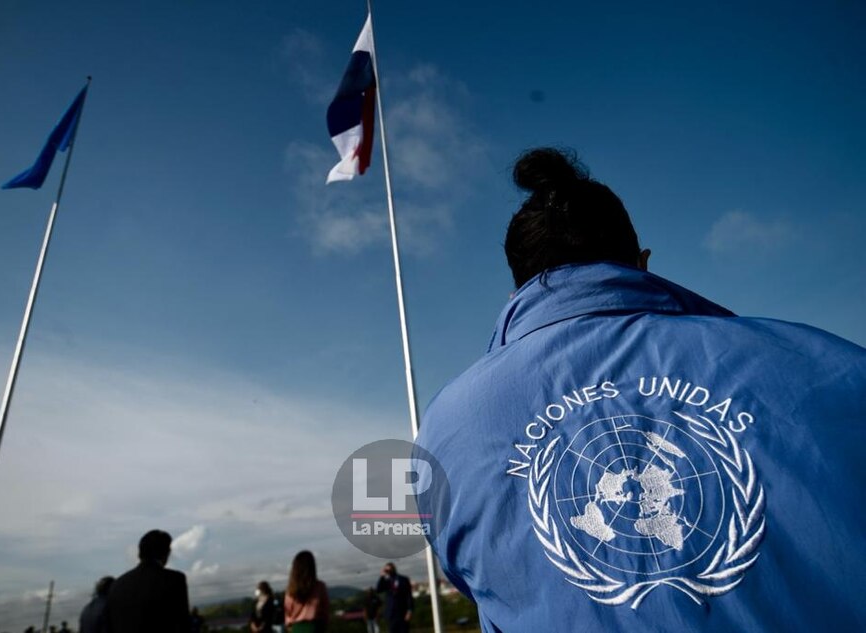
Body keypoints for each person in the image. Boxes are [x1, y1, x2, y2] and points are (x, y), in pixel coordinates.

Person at [415, 147, 866, 632]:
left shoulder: (446, 426)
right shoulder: (826, 365)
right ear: (643, 262)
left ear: (514, 293)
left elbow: (482, 580)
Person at [106, 529, 191, 633]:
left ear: (140, 553)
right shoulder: (174, 580)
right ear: (166, 553)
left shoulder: (117, 585)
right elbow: (182, 624)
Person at [284, 551, 329, 633]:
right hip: (315, 627)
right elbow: (325, 610)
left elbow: (288, 612)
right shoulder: (320, 586)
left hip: (296, 628)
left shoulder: (290, 590)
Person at [375, 563, 412, 633]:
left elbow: (408, 596)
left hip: (402, 612)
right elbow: (378, 590)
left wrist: (409, 610)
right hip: (391, 613)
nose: (388, 571)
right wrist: (382, 576)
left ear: (394, 568)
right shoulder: (386, 582)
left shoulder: (403, 579)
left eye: (389, 569)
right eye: (386, 569)